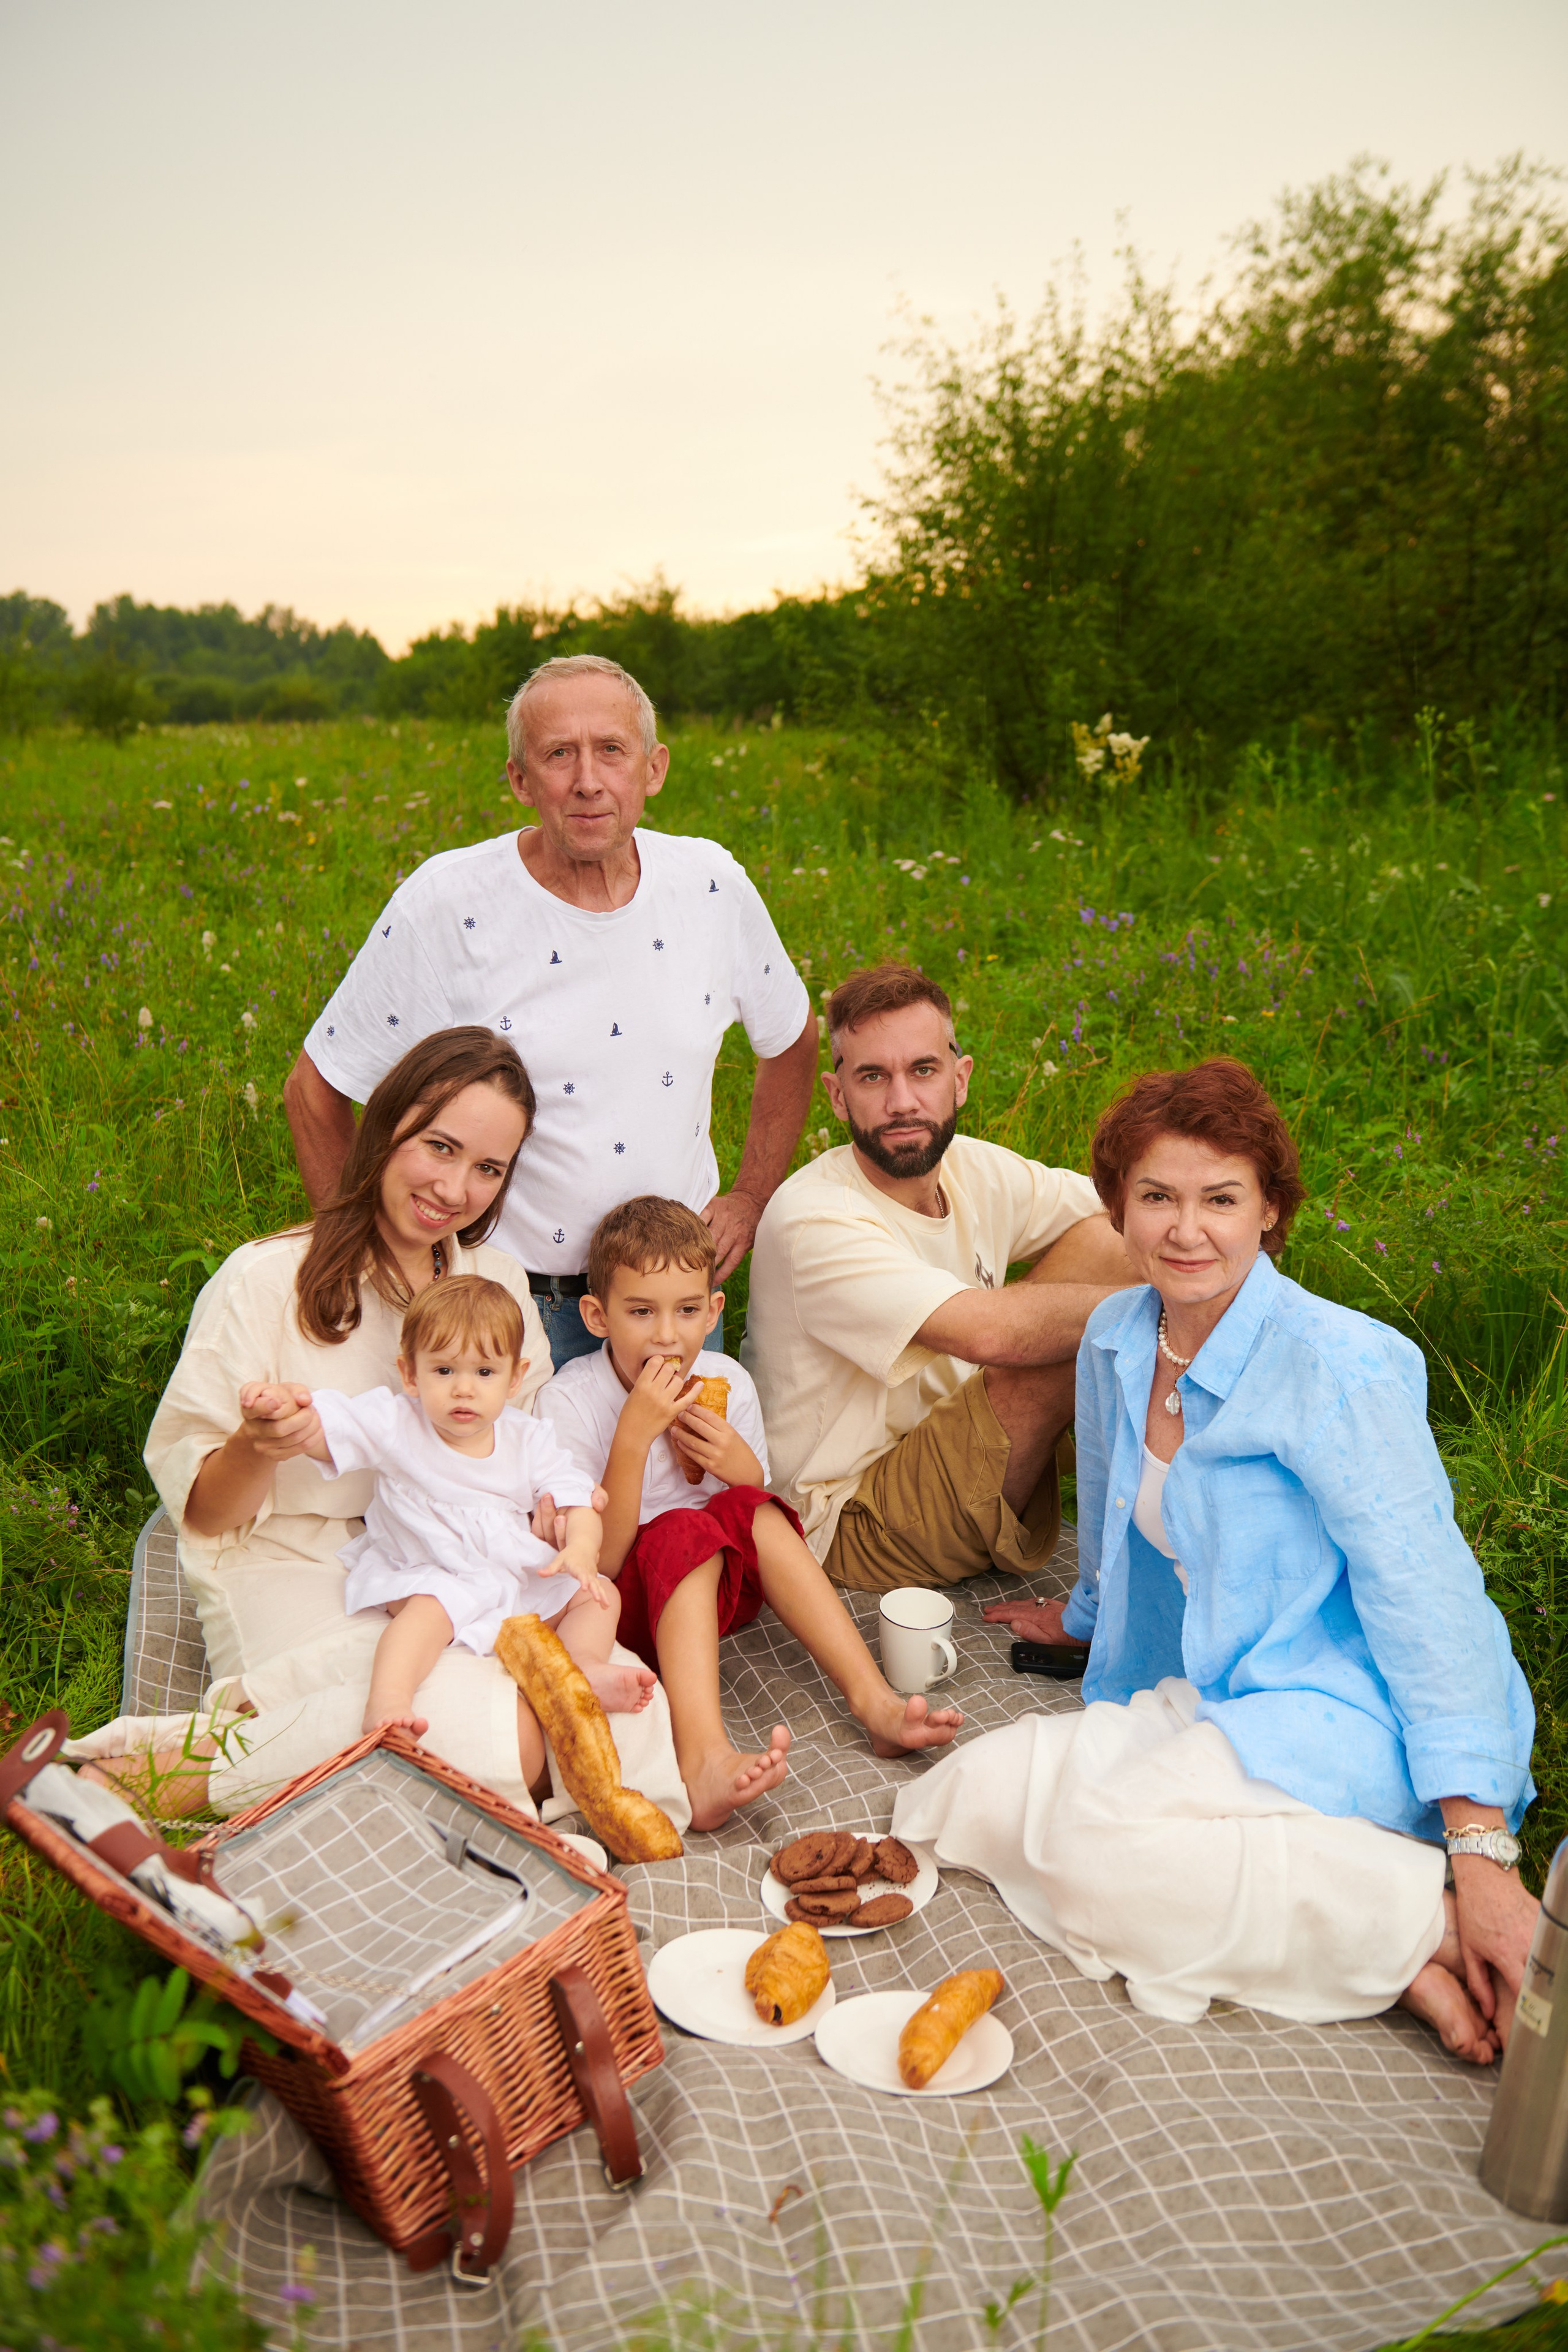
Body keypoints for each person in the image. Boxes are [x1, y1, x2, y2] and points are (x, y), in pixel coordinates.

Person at [894, 1059, 1539, 2064]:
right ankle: (1349, 1912)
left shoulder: (1340, 1367)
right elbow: (1116, 1520)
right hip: (1216, 1685)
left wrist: (1483, 1844)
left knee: (1108, 1853)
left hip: (1344, 1701)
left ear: (1270, 1212)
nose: (1185, 1230)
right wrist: (1083, 1619)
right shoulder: (1117, 1335)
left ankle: (1422, 1926)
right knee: (963, 1795)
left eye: (1220, 1200)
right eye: (1156, 1197)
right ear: (1118, 1208)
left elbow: (1428, 1597)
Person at [86, 1028, 686, 1830]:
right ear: (387, 1127)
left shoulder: (497, 1286)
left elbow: (526, 1456)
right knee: (480, 1719)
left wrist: (550, 1512)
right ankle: (159, 1778)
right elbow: (202, 1514)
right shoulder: (265, 1281)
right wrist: (257, 1446)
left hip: (466, 1560)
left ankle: (521, 1831)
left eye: (487, 1168)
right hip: (298, 1563)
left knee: (632, 1701)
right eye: (438, 1146)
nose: (453, 1187)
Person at [283, 654, 817, 1366]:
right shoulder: (448, 902)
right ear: (520, 779)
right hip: (498, 1310)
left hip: (670, 1310)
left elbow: (792, 1037)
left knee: (679, 1483)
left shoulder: (710, 886)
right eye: (558, 754)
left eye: (611, 751)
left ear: (653, 769)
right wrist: (377, 1256)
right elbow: (315, 1088)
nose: (588, 780)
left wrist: (750, 1196)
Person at [537, 1197, 965, 1828]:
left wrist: (736, 1464)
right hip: (620, 1609)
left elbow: (752, 1506)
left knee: (753, 1506)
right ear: (598, 1317)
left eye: (687, 1311)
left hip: (717, 1594)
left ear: (713, 1311)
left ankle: (874, 1702)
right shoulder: (568, 1402)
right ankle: (703, 1759)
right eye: (640, 1312)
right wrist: (631, 1441)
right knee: (683, 1527)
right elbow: (599, 1561)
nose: (665, 1335)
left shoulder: (726, 1381)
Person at [744, 962, 1131, 1594]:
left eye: (922, 1070)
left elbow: (1123, 1218)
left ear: (960, 1079)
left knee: (1114, 1240)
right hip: (852, 1520)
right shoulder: (812, 1217)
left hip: (945, 1446)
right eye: (873, 1076)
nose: (902, 1102)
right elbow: (989, 1336)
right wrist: (1173, 1305)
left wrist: (1224, 1253)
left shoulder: (971, 1168)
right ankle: (1135, 1564)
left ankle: (1189, 1515)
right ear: (837, 1096)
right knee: (1077, 1336)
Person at [239, 1274, 652, 1735]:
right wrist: (285, 1410)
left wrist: (579, 1549)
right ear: (410, 1374)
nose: (463, 1389)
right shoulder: (398, 1423)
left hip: (505, 1570)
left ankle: (586, 1667)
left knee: (598, 1595)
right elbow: (329, 1426)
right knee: (431, 1609)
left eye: (484, 1372)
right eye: (444, 1371)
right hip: (426, 1566)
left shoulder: (527, 1438)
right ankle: (388, 1700)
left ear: (515, 1377)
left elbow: (577, 1500)